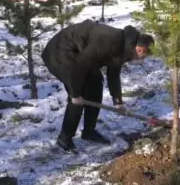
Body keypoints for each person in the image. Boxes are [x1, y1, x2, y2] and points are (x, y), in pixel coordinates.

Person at [41, 20, 155, 153]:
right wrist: (75, 94)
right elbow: (80, 67)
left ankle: (89, 132)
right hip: (60, 51)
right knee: (80, 93)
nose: (142, 59)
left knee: (96, 85)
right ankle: (65, 138)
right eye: (144, 56)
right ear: (140, 49)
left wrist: (117, 102)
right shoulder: (110, 41)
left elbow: (113, 74)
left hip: (80, 53)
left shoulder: (125, 47)